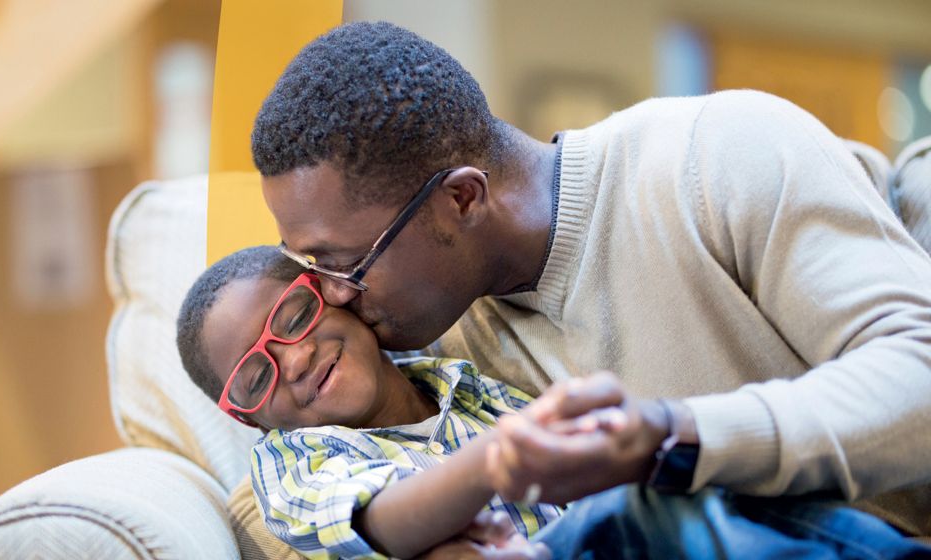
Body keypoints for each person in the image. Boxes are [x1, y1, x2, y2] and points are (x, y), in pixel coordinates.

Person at [249, 21, 931, 536]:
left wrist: (674, 436)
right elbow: (283, 487)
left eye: (344, 263)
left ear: (460, 200)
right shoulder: (438, 350)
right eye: (313, 266)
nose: (332, 294)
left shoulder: (717, 155)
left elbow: (919, 376)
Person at [174, 246, 929, 559]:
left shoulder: (462, 381)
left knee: (710, 477)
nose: (295, 357)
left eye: (295, 319)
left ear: (335, 297)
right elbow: (381, 524)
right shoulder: (293, 460)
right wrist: (496, 463)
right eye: (255, 375)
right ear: (247, 415)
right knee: (652, 509)